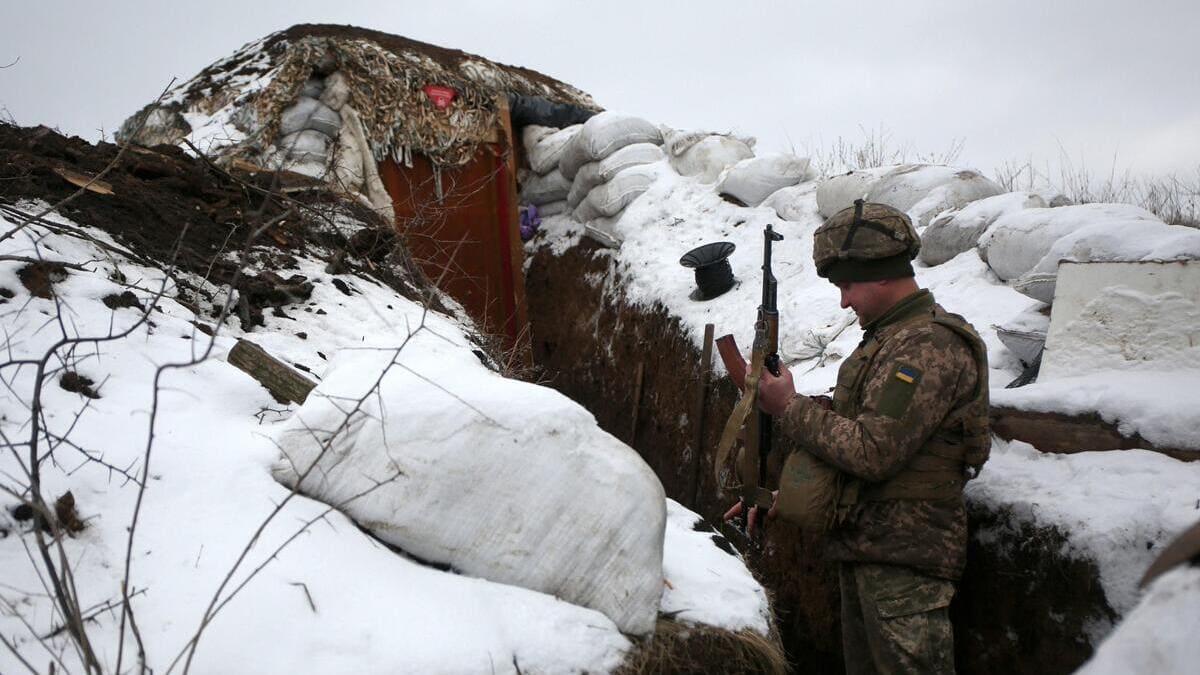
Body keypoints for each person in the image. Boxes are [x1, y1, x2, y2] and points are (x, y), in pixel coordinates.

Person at [747, 200, 990, 674]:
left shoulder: (926, 345)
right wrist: (785, 496)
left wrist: (787, 408)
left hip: (905, 564)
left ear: (881, 273)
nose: (843, 301)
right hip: (870, 549)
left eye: (847, 284)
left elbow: (872, 450)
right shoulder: (891, 338)